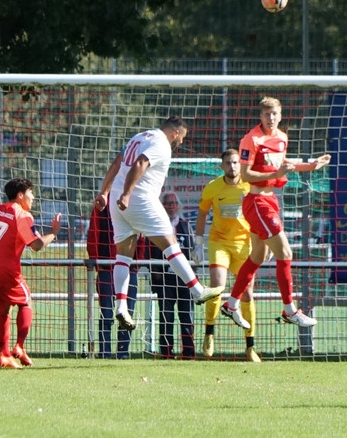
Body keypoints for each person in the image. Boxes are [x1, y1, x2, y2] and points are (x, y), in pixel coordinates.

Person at [94, 115, 223, 331]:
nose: (180, 142)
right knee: (171, 246)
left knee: (123, 256)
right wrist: (127, 194)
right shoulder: (161, 144)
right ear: (175, 132)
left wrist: (104, 193)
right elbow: (141, 163)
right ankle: (197, 291)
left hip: (116, 201)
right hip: (138, 198)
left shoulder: (140, 136)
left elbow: (118, 162)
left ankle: (121, 306)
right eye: (181, 137)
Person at [220, 97, 330, 329]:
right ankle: (290, 310)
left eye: (275, 114)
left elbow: (283, 164)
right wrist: (277, 173)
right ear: (260, 116)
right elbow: (246, 175)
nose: (271, 118)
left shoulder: (282, 137)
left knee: (258, 258)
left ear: (281, 115)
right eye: (267, 114)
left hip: (271, 200)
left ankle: (230, 304)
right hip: (257, 201)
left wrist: (309, 166)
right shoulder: (251, 139)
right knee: (286, 252)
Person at [0, 177, 61, 368]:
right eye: (31, 193)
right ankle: (19, 347)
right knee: (26, 301)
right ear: (20, 195)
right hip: (5, 271)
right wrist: (54, 232)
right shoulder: (22, 214)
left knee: (3, 311)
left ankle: (4, 354)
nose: (33, 197)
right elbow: (36, 245)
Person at [195, 148, 259, 362]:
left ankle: (250, 346)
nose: (232, 166)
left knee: (248, 293)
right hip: (219, 242)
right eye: (228, 163)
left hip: (244, 244)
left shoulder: (249, 185)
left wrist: (263, 241)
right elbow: (202, 212)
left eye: (235, 162)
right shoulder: (213, 187)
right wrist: (198, 241)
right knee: (217, 287)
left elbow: (261, 211)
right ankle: (209, 334)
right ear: (221, 166)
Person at [86, 205, 138, 359]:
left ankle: (123, 353)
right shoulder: (102, 205)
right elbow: (93, 233)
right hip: (106, 268)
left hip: (130, 268)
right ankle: (105, 353)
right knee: (107, 313)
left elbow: (140, 234)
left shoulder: (133, 201)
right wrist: (96, 260)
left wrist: (137, 262)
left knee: (127, 312)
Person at [149, 192, 195, 358]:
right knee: (166, 317)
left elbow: (191, 252)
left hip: (184, 281)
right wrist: (156, 278)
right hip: (165, 280)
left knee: (187, 316)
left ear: (178, 206)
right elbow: (152, 253)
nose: (171, 206)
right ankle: (166, 352)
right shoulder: (156, 227)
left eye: (174, 203)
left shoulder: (185, 225)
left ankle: (189, 352)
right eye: (168, 203)